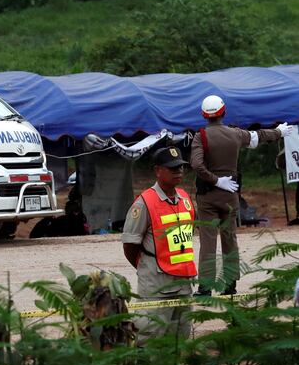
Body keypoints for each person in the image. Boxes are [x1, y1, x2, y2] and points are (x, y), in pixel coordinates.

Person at [190, 95, 288, 295]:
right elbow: (258, 136)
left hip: (207, 197)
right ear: (223, 112)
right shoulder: (236, 134)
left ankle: (206, 287)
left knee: (208, 241)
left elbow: (197, 165)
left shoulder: (201, 136)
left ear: (204, 115)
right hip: (230, 196)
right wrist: (279, 132)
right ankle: (230, 284)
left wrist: (215, 180)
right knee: (229, 238)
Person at [122, 146, 197, 344]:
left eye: (180, 167)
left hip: (183, 283)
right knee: (148, 335)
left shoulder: (185, 199)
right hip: (156, 285)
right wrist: (147, 267)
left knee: (180, 337)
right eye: (172, 168)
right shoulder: (144, 203)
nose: (178, 171)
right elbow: (130, 245)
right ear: (157, 171)